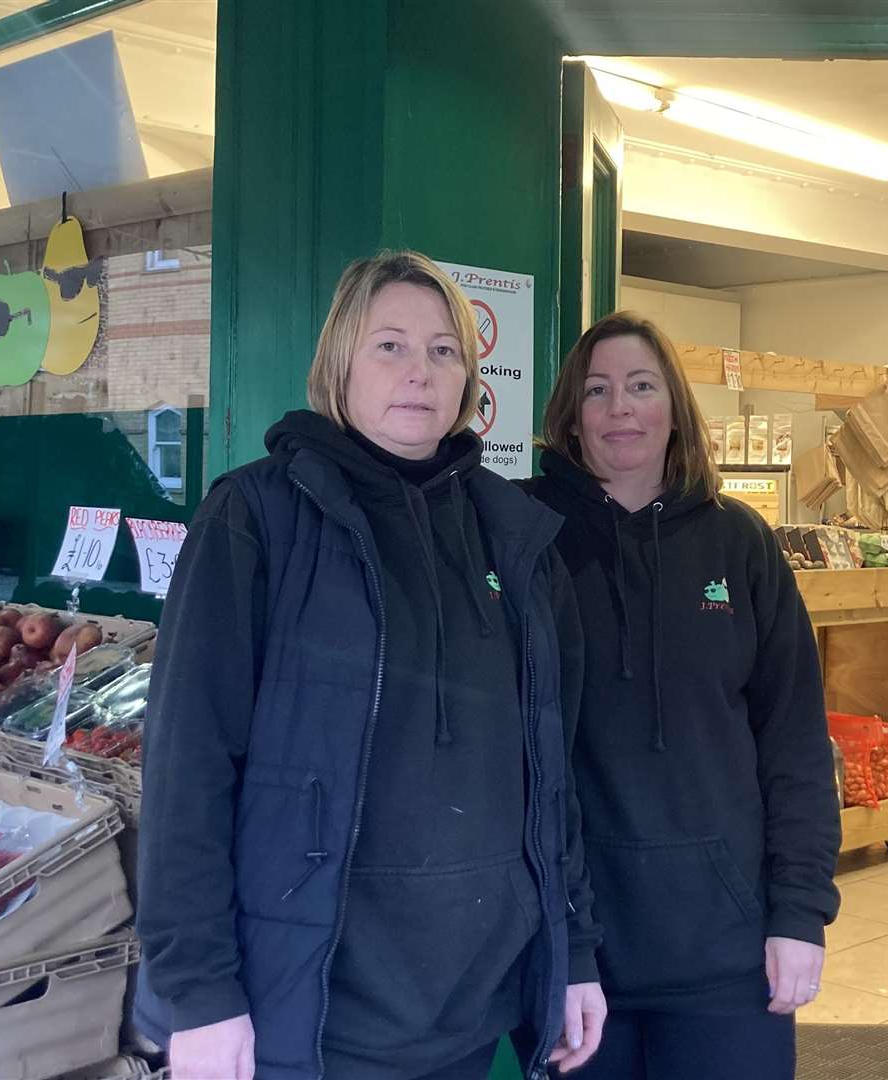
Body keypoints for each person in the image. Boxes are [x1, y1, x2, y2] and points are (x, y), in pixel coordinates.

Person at [135, 251, 606, 1080]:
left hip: (473, 1006)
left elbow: (549, 772)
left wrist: (573, 951)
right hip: (311, 1010)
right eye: (389, 345)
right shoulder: (256, 518)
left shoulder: (511, 534)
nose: (419, 373)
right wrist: (198, 992)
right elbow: (188, 768)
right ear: (339, 363)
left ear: (468, 376)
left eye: (444, 350)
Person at [521, 312, 841, 1079]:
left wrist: (798, 913)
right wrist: (555, 943)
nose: (620, 409)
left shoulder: (740, 542)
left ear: (674, 408)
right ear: (569, 413)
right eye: (597, 391)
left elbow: (794, 735)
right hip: (574, 948)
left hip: (727, 951)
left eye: (641, 386)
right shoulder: (527, 539)